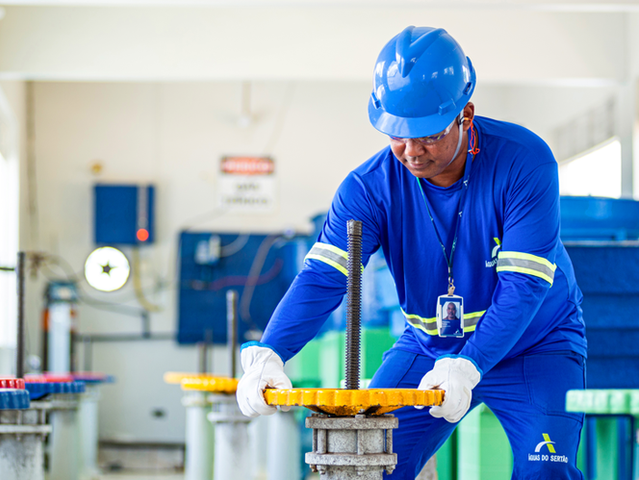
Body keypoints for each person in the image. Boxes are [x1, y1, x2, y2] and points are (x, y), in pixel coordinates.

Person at [236, 25, 587, 479]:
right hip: (430, 345)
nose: (412, 151)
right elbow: (323, 278)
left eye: (429, 135)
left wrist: (471, 364)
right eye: (397, 135)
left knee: (546, 471)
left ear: (465, 114)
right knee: (364, 463)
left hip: (536, 346)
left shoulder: (524, 163)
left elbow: (524, 286)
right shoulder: (368, 188)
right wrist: (270, 352)